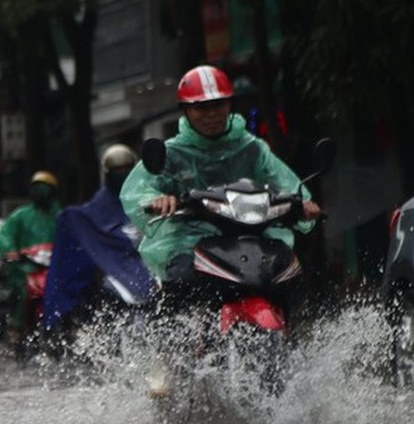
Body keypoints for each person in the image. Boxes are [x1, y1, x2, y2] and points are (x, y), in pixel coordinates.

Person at [120, 65, 322, 287]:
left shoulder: (252, 148)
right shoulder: (172, 154)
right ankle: (179, 323)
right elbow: (137, 190)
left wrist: (302, 204)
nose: (211, 114)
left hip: (256, 237)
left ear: (230, 105)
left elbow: (287, 184)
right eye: (201, 107)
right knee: (182, 282)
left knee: (292, 279)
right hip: (189, 243)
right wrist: (155, 201)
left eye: (218, 105)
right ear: (185, 110)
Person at [43, 144, 156, 333]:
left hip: (154, 265)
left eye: (127, 169)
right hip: (116, 273)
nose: (123, 174)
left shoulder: (150, 196)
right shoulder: (96, 210)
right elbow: (92, 233)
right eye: (117, 171)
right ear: (107, 173)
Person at [0, 170, 62, 346]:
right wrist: (10, 251)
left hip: (54, 268)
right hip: (25, 268)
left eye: (44, 188)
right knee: (22, 290)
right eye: (36, 188)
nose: (40, 192)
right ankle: (16, 326)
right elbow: (6, 235)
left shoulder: (61, 217)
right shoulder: (20, 216)